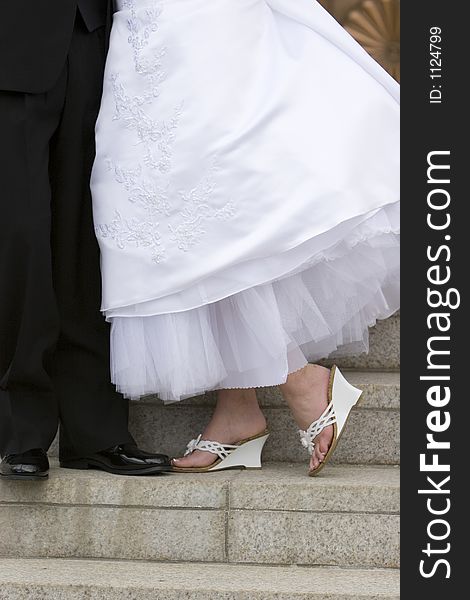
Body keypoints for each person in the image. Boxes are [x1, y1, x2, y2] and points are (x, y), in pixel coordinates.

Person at [91, 0, 400, 476]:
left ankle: (298, 378)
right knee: (171, 199)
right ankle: (238, 410)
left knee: (214, 189)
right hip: (141, 19)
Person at [0, 0, 171, 480]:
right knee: (22, 237)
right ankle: (20, 432)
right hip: (11, 39)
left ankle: (95, 433)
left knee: (90, 239)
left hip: (94, 35)